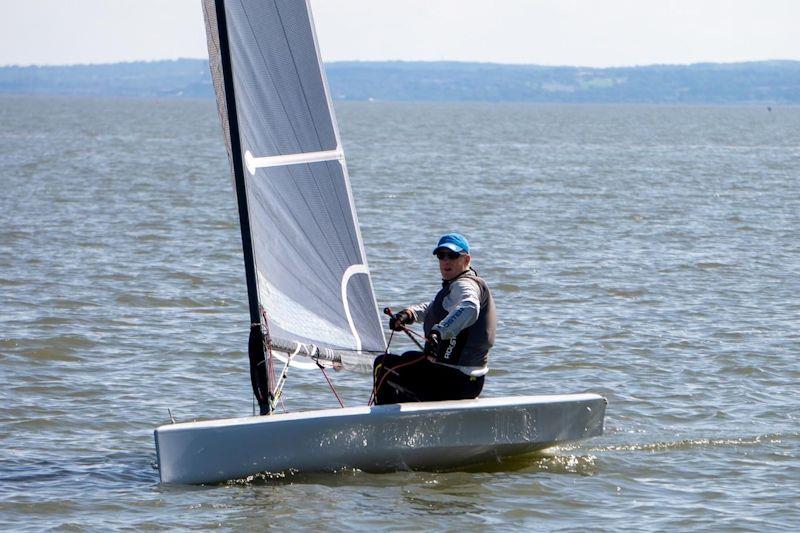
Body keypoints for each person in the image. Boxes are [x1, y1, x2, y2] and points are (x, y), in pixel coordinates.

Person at [373, 233, 496, 404]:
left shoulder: (464, 285)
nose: (446, 260)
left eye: (452, 256)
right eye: (441, 255)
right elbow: (434, 308)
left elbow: (469, 307)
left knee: (383, 365)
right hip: (468, 381)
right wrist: (409, 314)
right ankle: (410, 419)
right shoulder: (458, 284)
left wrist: (438, 332)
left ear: (466, 260)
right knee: (409, 358)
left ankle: (384, 425)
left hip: (453, 380)